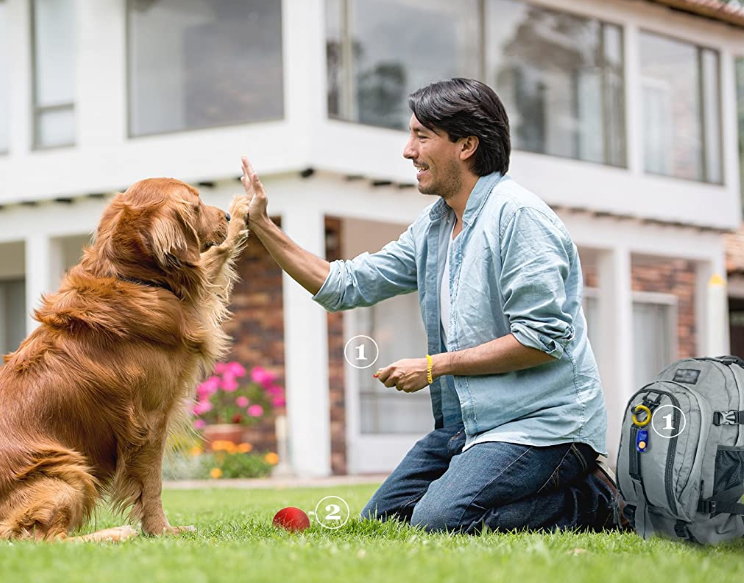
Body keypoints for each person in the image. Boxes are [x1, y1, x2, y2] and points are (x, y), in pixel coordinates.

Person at [240, 77, 620, 533]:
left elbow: (542, 341)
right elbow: (345, 285)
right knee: (385, 519)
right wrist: (263, 226)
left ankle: (596, 503)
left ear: (466, 145)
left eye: (422, 136)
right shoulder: (435, 227)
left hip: (544, 425)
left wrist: (434, 365)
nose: (407, 150)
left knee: (442, 520)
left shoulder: (519, 219)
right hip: (470, 425)